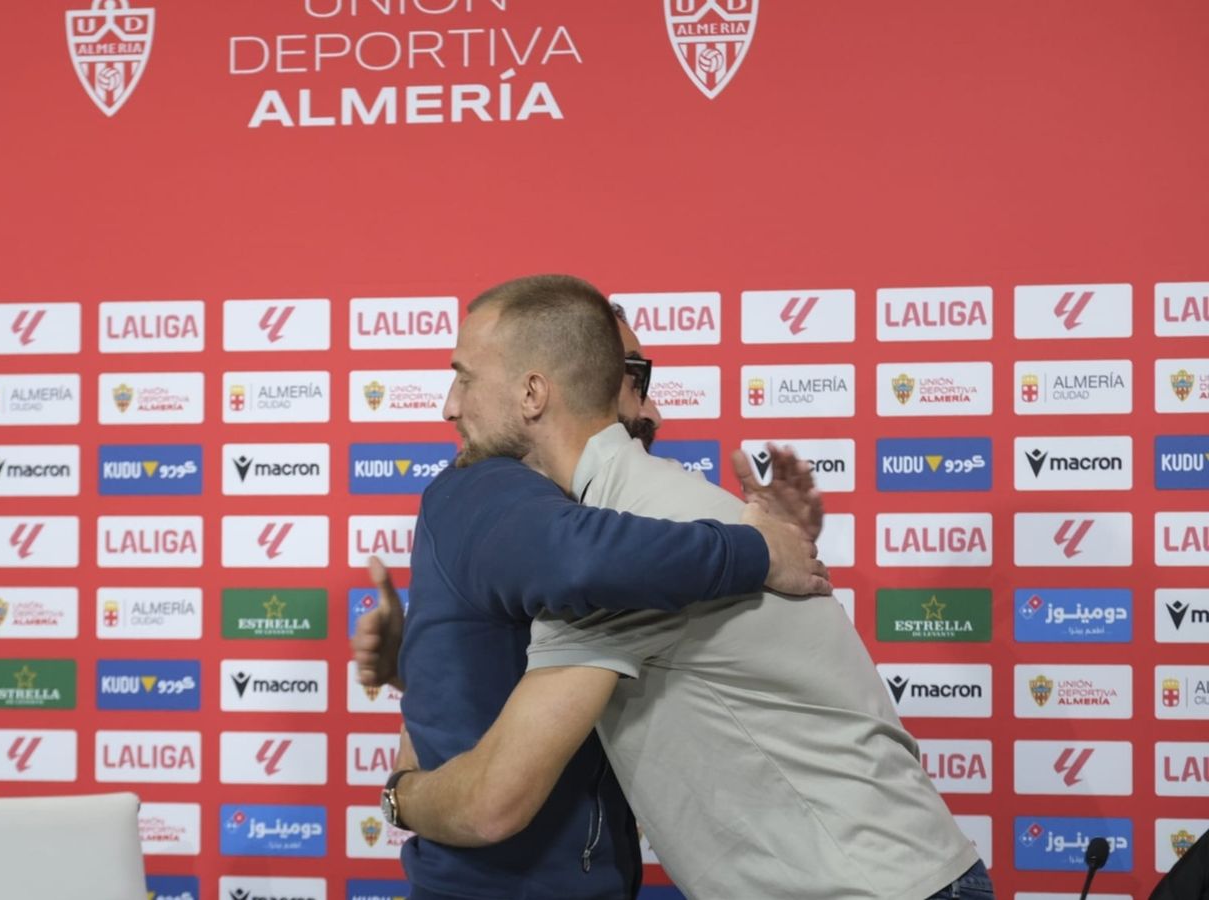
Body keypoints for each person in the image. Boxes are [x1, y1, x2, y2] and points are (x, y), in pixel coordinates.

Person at [356, 286, 992, 899]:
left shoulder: (627, 546)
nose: (448, 405)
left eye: (465, 377)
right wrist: (425, 663)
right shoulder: (650, 525)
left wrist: (400, 794)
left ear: (532, 392)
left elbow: (494, 799)